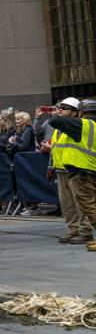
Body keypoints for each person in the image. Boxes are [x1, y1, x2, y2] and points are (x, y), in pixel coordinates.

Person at [47, 98, 96, 248]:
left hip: (82, 171)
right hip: (74, 170)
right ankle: (76, 230)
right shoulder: (86, 125)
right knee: (74, 204)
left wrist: (55, 114)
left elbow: (54, 121)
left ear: (78, 112)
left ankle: (84, 231)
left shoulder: (82, 125)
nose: (61, 111)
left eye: (65, 108)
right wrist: (51, 167)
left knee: (87, 206)